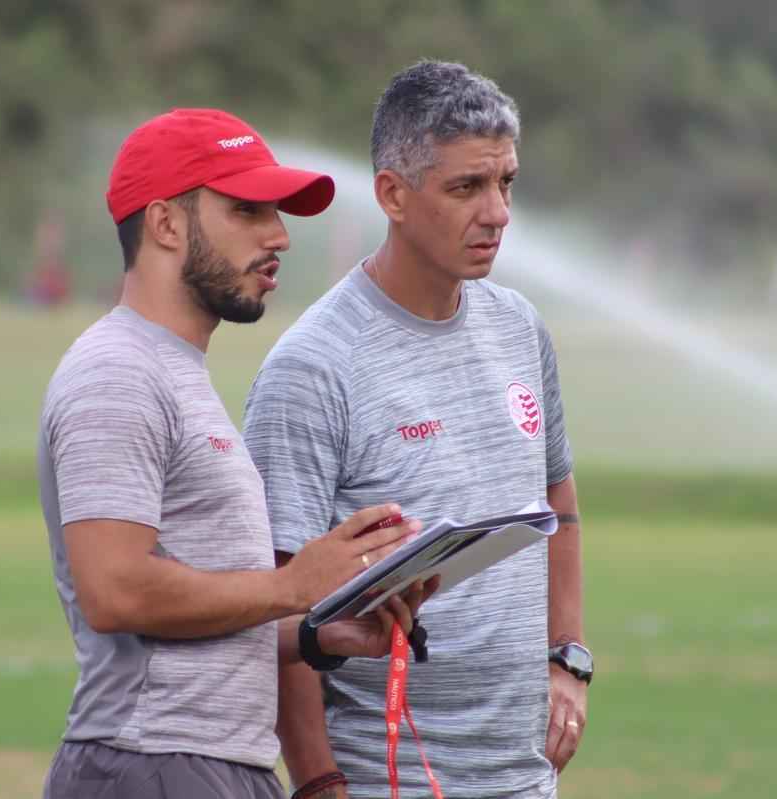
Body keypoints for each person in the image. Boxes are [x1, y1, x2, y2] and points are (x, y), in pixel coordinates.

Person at [37, 108, 434, 799]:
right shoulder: (118, 373)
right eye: (247, 210)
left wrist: (322, 629)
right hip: (151, 762)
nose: (278, 234)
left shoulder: (174, 370)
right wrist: (295, 585)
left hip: (204, 765)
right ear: (165, 224)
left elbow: (198, 614)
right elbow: (114, 588)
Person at [243, 61, 591, 799]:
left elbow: (558, 508)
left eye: (506, 183)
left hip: (526, 779)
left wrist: (569, 657)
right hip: (383, 778)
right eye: (467, 187)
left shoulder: (519, 327)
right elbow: (275, 602)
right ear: (393, 196)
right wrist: (318, 780)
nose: (497, 212)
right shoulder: (314, 365)